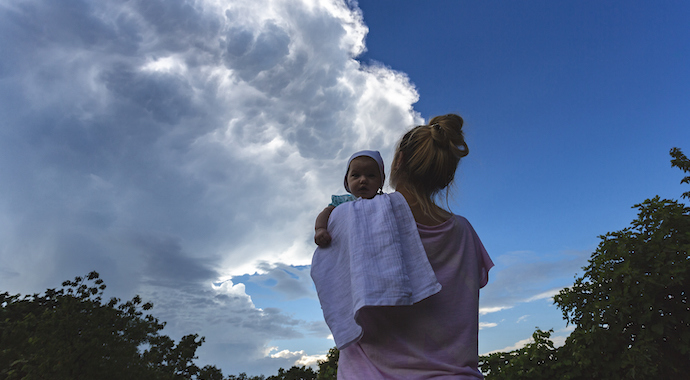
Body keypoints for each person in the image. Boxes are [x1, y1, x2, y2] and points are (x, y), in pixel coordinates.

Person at [336, 114, 494, 379]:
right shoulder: (464, 232)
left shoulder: (355, 217)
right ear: (445, 178)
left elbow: (337, 290)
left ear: (398, 163)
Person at [314, 150, 385, 247]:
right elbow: (326, 213)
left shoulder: (385, 201)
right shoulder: (343, 201)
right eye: (356, 175)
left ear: (381, 181)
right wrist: (320, 229)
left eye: (371, 175)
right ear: (347, 181)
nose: (363, 180)